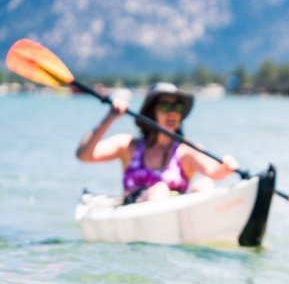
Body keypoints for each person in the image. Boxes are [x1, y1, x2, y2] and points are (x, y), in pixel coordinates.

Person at [75, 83, 239, 203]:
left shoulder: (186, 149)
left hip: (176, 215)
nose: (172, 113)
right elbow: (84, 155)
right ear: (151, 112)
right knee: (159, 191)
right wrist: (110, 117)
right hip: (136, 210)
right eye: (166, 106)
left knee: (205, 184)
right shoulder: (128, 145)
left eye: (177, 107)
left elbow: (214, 171)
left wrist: (227, 166)